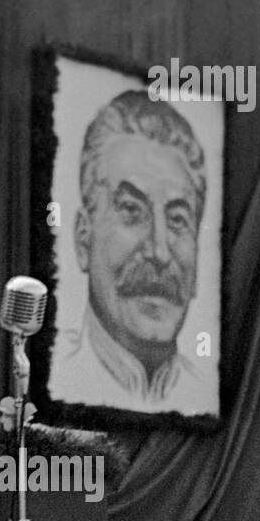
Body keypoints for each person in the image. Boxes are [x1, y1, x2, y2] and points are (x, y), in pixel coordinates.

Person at [50, 90, 215, 413]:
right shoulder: (55, 381)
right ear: (83, 239)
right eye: (131, 210)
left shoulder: (204, 399)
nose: (159, 252)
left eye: (178, 219)